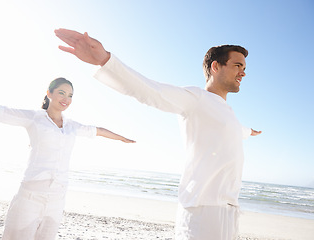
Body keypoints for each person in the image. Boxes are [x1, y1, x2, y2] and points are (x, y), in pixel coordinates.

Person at [54, 29, 262, 240]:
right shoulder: (196, 98)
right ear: (216, 66)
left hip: (228, 211)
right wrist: (105, 60)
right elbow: (150, 91)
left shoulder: (229, 115)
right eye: (237, 65)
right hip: (203, 211)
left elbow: (236, 130)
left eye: (244, 68)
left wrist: (248, 131)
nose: (243, 72)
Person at [0, 77, 135, 240]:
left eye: (70, 95)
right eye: (61, 93)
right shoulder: (34, 118)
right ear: (49, 93)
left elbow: (99, 131)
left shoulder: (72, 126)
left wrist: (122, 138)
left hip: (57, 198)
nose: (66, 99)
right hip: (30, 196)